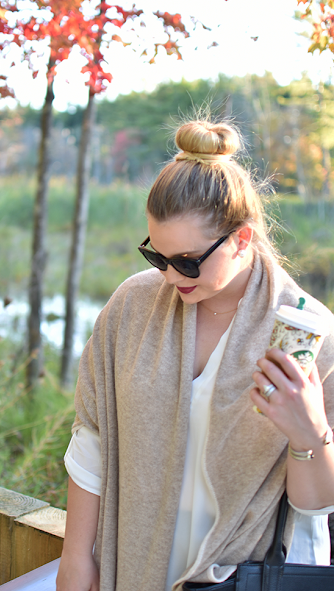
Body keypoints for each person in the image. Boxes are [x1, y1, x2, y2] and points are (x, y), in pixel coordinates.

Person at [56, 119, 334, 591]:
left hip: (242, 575)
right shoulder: (132, 306)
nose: (170, 277)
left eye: (187, 262)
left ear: (242, 239)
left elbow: (316, 507)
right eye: (157, 257)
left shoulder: (307, 335)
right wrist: (77, 558)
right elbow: (92, 440)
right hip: (137, 560)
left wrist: (309, 433)